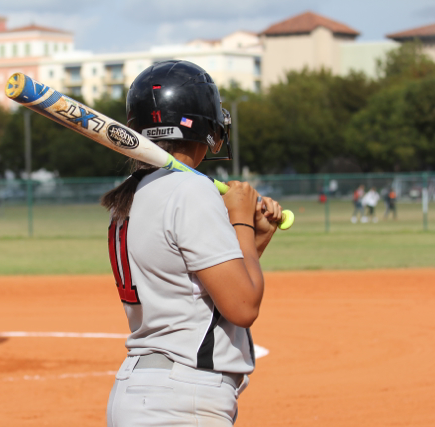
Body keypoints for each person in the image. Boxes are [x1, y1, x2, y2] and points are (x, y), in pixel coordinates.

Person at [101, 60, 283, 427]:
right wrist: (240, 219)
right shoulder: (191, 189)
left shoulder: (134, 194)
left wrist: (255, 235)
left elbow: (201, 286)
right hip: (183, 398)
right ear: (205, 125)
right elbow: (243, 306)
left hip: (141, 391)